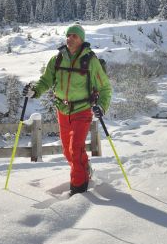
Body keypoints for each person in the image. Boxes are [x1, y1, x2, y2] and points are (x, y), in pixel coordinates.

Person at [25, 23, 111, 195]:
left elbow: (105, 88)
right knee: (67, 151)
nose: (70, 38)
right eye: (68, 35)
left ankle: (78, 189)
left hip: (82, 110)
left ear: (81, 40)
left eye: (75, 36)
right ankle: (85, 170)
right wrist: (35, 91)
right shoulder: (57, 59)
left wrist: (102, 106)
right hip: (62, 110)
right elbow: (46, 81)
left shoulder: (91, 61)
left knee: (76, 148)